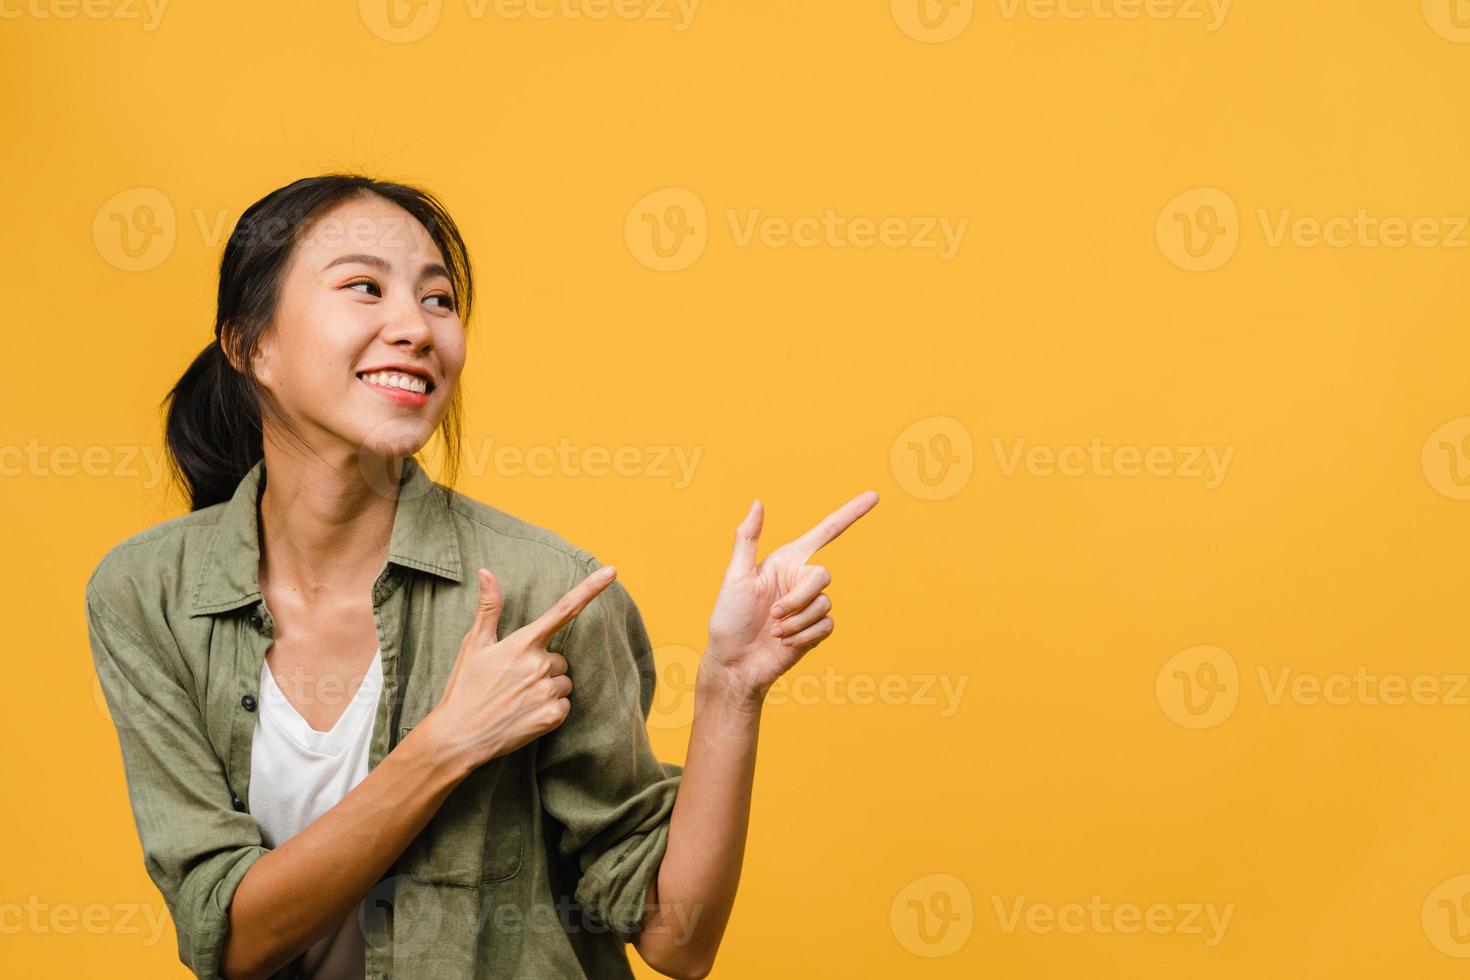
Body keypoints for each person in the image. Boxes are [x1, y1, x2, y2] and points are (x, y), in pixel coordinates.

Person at [84, 173, 879, 979]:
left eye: (438, 301)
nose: (418, 330)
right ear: (251, 344)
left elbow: (680, 939)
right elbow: (231, 939)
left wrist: (731, 689)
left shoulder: (545, 590)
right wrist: (444, 747)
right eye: (365, 288)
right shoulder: (149, 594)